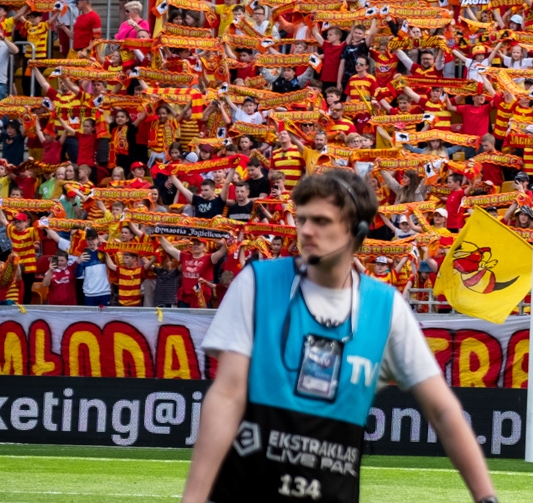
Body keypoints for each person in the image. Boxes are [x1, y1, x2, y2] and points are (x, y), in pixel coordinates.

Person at [179, 168, 498, 503]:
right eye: (302, 219)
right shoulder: (256, 282)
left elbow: (443, 411)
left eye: (321, 221)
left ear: (356, 229)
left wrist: (486, 498)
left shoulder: (386, 308)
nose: (305, 230)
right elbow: (227, 395)